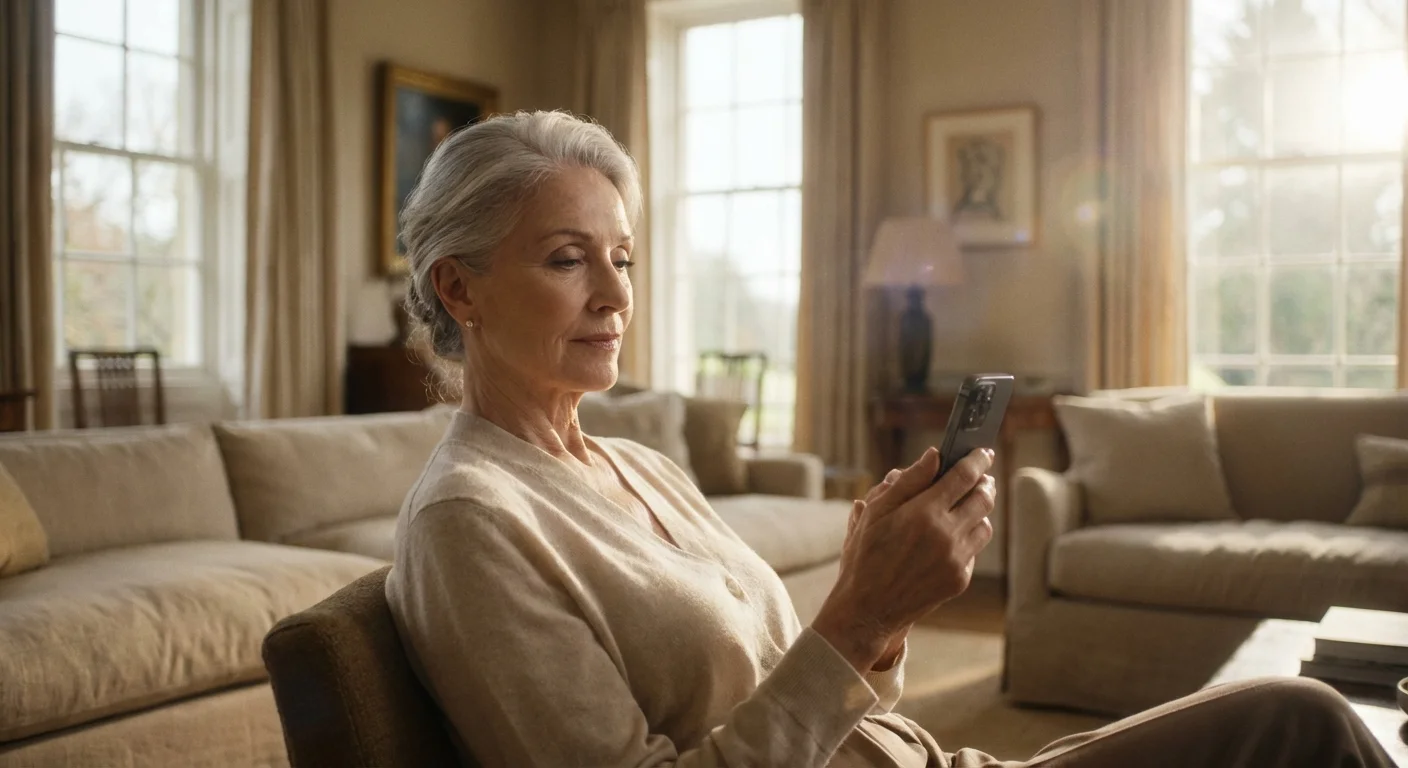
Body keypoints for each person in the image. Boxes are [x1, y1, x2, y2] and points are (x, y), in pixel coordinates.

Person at [384, 110, 1393, 768]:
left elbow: (817, 694)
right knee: (1297, 731)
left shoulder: (632, 462)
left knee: (1296, 719)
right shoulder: (470, 522)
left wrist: (887, 609)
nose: (613, 296)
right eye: (568, 260)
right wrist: (857, 620)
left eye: (624, 259)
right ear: (458, 287)